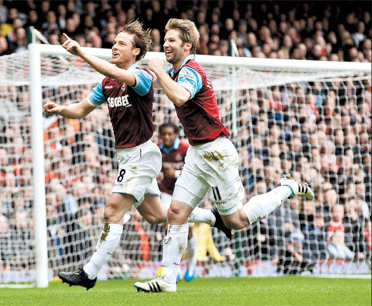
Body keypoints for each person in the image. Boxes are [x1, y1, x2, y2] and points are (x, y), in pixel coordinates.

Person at [134, 18, 314, 293]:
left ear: (187, 45)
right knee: (176, 212)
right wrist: (127, 73)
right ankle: (168, 279)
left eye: (172, 40)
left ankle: (286, 189)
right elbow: (153, 86)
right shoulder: (175, 71)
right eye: (165, 40)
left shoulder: (192, 70)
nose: (166, 44)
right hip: (196, 152)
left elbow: (180, 96)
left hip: (217, 153)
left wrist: (157, 70)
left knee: (237, 221)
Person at [44, 20, 219, 291]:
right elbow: (80, 109)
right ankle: (212, 217)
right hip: (126, 157)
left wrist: (81, 52)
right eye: (114, 42)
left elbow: (115, 72)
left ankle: (89, 273)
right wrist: (59, 110)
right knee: (158, 215)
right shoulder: (107, 83)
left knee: (112, 210)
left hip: (142, 155)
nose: (114, 46)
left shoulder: (142, 76)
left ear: (136, 52)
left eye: (121, 43)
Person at [157, 122, 198, 282]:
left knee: (188, 232)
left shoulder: (185, 149)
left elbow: (195, 172)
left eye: (170, 134)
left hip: (187, 193)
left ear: (175, 135)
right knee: (169, 228)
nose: (167, 137)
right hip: (167, 193)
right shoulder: (158, 150)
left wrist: (175, 173)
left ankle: (192, 263)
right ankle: (174, 268)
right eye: (164, 134)